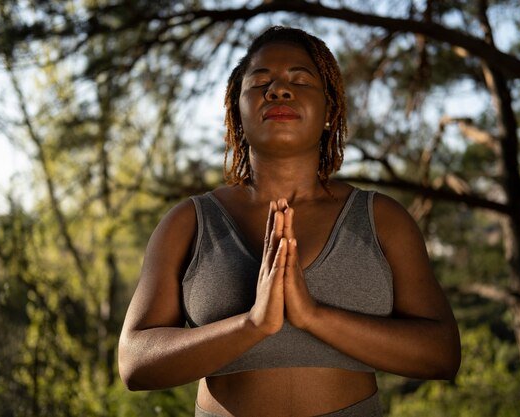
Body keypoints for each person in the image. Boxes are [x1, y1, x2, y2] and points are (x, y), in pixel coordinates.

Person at [118, 26, 461, 417]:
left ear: (330, 110)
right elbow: (134, 364)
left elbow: (442, 354)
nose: (279, 91)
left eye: (300, 80)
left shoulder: (382, 219)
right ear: (237, 111)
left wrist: (313, 316)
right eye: (260, 82)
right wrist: (252, 324)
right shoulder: (188, 222)